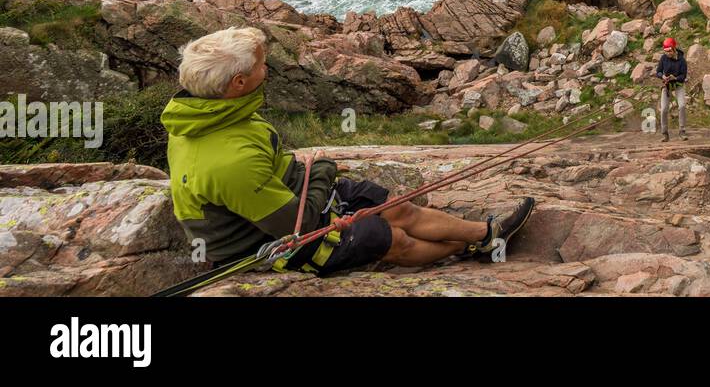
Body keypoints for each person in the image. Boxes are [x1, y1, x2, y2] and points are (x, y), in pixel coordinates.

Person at [162, 26, 534, 277]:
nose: (267, 69)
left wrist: (307, 178)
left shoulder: (202, 112)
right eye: (261, 64)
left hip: (284, 198)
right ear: (237, 83)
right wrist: (320, 169)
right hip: (270, 241)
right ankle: (470, 246)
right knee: (393, 239)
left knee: (397, 208)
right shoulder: (229, 162)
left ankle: (488, 233)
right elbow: (299, 227)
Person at [655, 37, 688, 142]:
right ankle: (665, 134)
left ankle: (682, 132)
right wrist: (662, 77)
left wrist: (676, 78)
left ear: (674, 49)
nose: (667, 53)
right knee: (664, 109)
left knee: (682, 105)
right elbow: (658, 72)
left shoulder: (682, 60)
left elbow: (683, 76)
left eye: (669, 51)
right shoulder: (663, 58)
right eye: (665, 51)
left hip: (678, 84)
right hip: (667, 85)